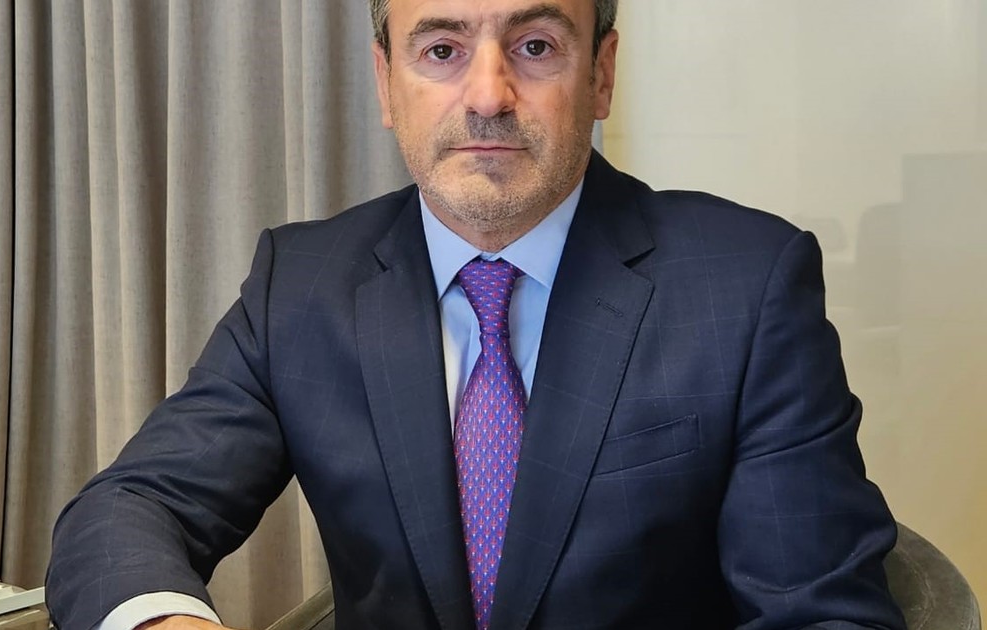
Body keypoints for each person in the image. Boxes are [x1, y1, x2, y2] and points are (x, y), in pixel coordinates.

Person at [46, 0, 905, 628]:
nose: (489, 95)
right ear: (386, 83)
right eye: (442, 49)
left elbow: (825, 615)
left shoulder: (745, 287)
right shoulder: (301, 286)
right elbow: (129, 508)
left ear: (601, 73)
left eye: (535, 46)